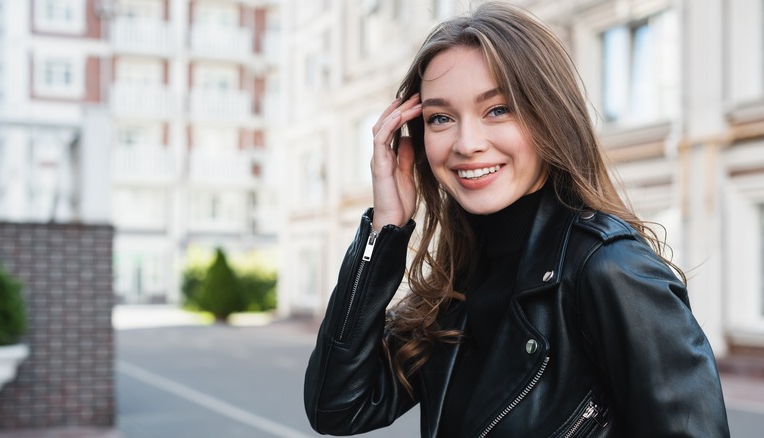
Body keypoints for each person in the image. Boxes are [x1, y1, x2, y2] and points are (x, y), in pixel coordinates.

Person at [303, 2, 730, 437]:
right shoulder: (458, 282)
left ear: (550, 116)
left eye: (498, 110)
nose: (467, 143)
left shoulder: (610, 269)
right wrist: (384, 230)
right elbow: (338, 406)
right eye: (441, 118)